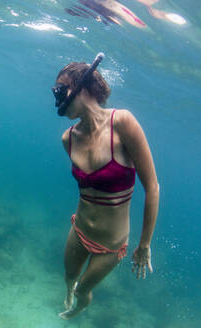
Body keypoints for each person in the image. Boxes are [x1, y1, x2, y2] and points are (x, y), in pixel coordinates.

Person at [52, 54, 160, 319]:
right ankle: (68, 293)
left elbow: (153, 187)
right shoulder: (69, 139)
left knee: (82, 291)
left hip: (111, 245)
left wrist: (144, 244)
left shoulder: (122, 123)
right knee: (69, 277)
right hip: (79, 230)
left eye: (61, 89)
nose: (57, 97)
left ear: (83, 87)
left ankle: (76, 307)